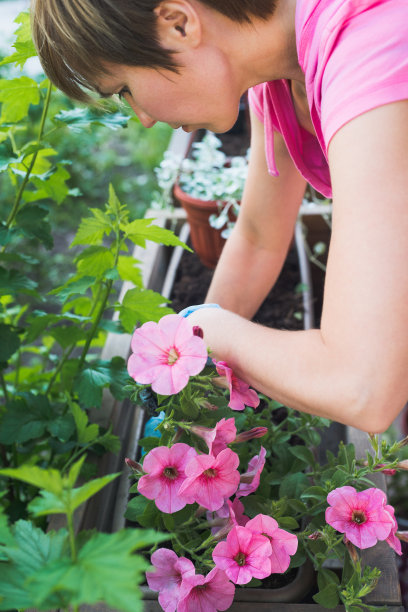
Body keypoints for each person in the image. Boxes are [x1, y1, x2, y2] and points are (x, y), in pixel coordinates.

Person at [31, 0, 408, 433]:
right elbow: (258, 236)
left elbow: (362, 387)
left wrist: (210, 331)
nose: (144, 118)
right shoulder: (283, 75)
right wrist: (194, 366)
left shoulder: (366, 52)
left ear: (178, 23)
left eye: (123, 89)